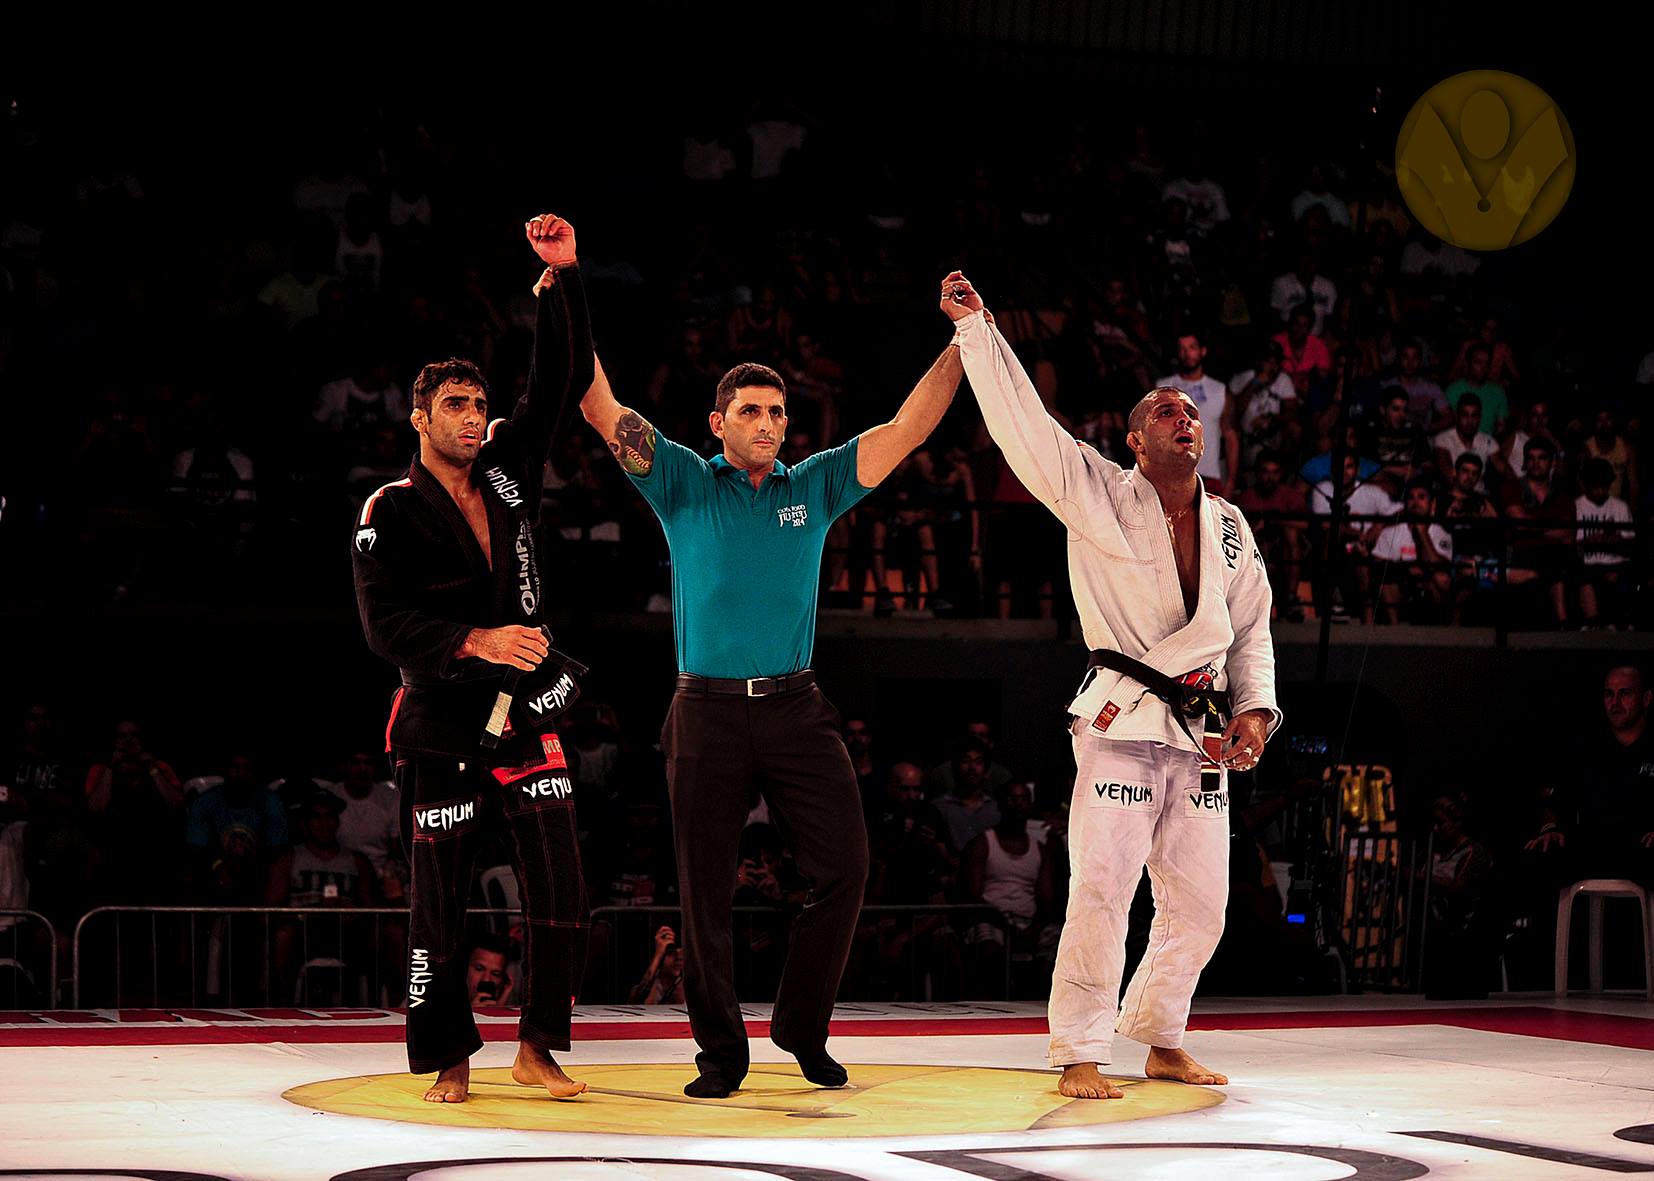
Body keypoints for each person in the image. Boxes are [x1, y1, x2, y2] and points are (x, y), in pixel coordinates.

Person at [578, 265, 969, 1099]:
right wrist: (566, 283)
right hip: (705, 713)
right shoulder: (681, 478)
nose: (769, 421)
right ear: (718, 422)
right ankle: (721, 1054)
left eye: (779, 410)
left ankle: (800, 1025)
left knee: (849, 868)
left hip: (796, 708)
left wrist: (966, 338)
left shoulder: (815, 483)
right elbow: (600, 406)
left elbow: (907, 427)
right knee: (704, 896)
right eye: (752, 409)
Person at [951, 272, 1279, 1100]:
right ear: (1134, 440)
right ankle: (1079, 1049)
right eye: (1165, 412)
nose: (1186, 420)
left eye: (1193, 413)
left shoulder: (1232, 525)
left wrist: (1255, 709)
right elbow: (1026, 429)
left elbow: (1252, 629)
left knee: (1203, 905)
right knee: (1103, 888)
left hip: (1202, 731)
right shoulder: (1096, 491)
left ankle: (1163, 1034)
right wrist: (981, 331)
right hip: (1122, 718)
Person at [351, 214, 593, 1104]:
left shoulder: (507, 469)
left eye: (477, 405)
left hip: (527, 706)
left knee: (563, 878)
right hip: (440, 712)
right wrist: (474, 640)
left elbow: (559, 380)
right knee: (438, 896)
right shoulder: (390, 508)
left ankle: (538, 1044)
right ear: (419, 417)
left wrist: (563, 283)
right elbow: (385, 626)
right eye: (453, 405)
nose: (471, 417)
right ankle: (450, 1053)